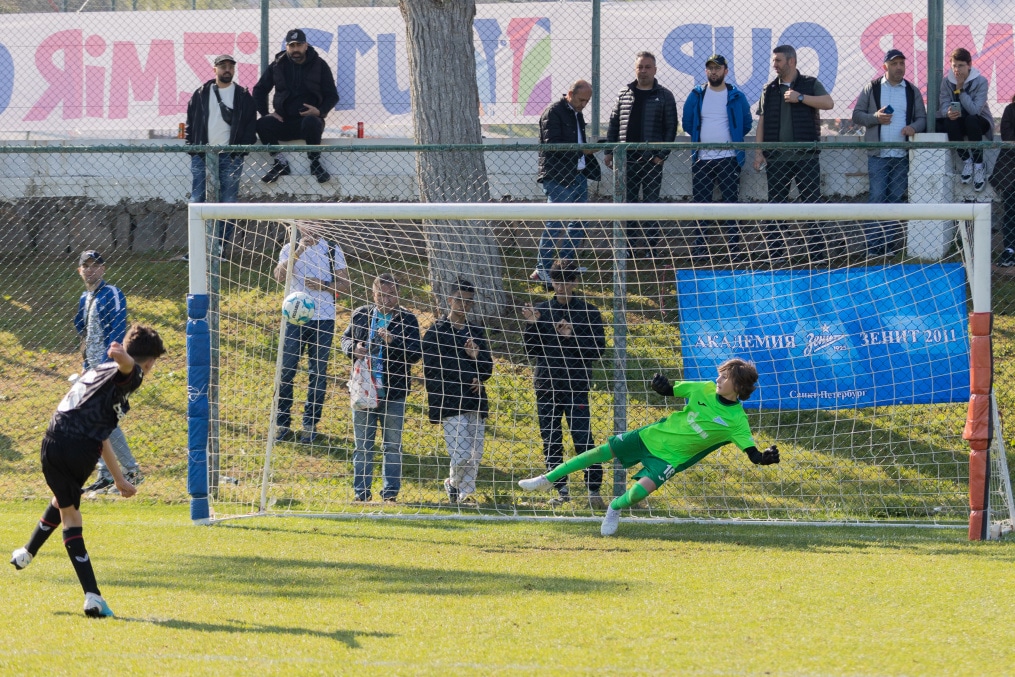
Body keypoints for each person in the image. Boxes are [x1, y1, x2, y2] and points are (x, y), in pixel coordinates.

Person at [519, 360, 780, 536]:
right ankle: (547, 478)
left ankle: (615, 507)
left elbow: (753, 455)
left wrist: (765, 458)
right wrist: (661, 386)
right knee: (598, 452)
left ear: (739, 387)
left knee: (638, 494)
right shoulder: (703, 388)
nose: (718, 379)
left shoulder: (737, 422)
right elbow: (671, 389)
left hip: (671, 458)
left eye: (725, 377)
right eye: (720, 374)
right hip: (651, 436)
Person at [10, 325, 166, 617]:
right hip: (78, 446)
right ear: (150, 361)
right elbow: (129, 369)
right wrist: (125, 358)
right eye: (153, 362)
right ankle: (93, 597)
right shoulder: (129, 372)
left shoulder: (99, 373)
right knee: (71, 516)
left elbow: (102, 434)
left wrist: (118, 478)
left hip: (52, 441)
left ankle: (27, 552)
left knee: (64, 498)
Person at [522, 259, 606, 509]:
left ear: (575, 282)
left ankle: (593, 490)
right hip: (546, 385)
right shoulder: (542, 311)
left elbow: (597, 350)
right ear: (551, 282)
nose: (562, 286)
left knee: (583, 438)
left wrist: (571, 336)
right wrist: (532, 325)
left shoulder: (588, 312)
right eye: (557, 281)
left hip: (576, 386)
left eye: (567, 281)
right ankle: (562, 490)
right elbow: (530, 349)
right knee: (551, 439)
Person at [341, 274, 422, 502]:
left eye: (391, 294)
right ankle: (361, 494)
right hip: (363, 391)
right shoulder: (361, 314)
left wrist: (393, 342)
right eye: (382, 295)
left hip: (393, 392)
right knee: (363, 446)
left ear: (398, 294)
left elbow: (416, 353)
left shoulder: (407, 319)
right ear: (373, 294)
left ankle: (390, 494)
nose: (387, 299)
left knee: (392, 446)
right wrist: (352, 349)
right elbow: (344, 339)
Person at [753, 45, 834, 261]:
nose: (774, 65)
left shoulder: (809, 83)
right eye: (774, 61)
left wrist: (800, 98)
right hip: (777, 159)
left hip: (806, 157)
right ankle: (777, 254)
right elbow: (762, 121)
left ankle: (816, 255)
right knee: (775, 207)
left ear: (791, 61)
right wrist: (759, 152)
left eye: (778, 61)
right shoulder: (769, 89)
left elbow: (828, 103)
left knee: (812, 206)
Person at [75, 251, 143, 496]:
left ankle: (130, 471)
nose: (91, 270)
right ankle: (106, 474)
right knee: (98, 421)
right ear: (79, 270)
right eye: (86, 266)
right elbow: (83, 332)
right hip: (91, 369)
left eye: (95, 265)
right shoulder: (86, 297)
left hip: (107, 368)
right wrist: (86, 366)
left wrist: (108, 364)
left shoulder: (111, 293)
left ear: (103, 269)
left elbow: (117, 327)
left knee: (105, 421)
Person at [273, 231, 350, 444]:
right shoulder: (289, 248)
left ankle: (310, 424)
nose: (310, 229)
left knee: (318, 373)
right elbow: (279, 276)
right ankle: (282, 423)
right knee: (286, 370)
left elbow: (345, 284)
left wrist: (324, 285)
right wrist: (299, 250)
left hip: (324, 319)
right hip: (294, 319)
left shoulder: (332, 248)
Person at [422, 279, 493, 505]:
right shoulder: (436, 331)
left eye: (469, 302)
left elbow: (487, 369)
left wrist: (477, 358)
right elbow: (434, 368)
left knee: (474, 455)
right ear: (450, 300)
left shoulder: (476, 331)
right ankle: (452, 484)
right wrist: (468, 377)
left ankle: (462, 495)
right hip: (451, 401)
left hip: (475, 400)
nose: (464, 305)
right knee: (461, 454)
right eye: (460, 300)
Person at [851, 49, 927, 257]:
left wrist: (913, 128)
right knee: (877, 197)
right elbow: (856, 115)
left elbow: (922, 118)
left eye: (902, 63)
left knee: (895, 199)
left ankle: (888, 246)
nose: (899, 67)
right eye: (894, 64)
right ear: (885, 66)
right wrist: (875, 117)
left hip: (902, 155)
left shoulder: (912, 91)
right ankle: (873, 248)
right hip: (878, 154)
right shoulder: (872, 88)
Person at [604, 51, 679, 257]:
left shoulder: (664, 95)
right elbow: (613, 124)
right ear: (635, 69)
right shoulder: (624, 93)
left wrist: (660, 155)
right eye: (640, 67)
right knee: (625, 204)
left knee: (651, 204)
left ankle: (650, 248)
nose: (643, 71)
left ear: (655, 70)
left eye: (647, 67)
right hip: (625, 160)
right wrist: (609, 151)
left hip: (652, 161)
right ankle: (626, 248)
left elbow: (671, 129)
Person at [682, 54, 754, 262]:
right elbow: (687, 122)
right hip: (702, 159)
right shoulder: (696, 94)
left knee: (731, 204)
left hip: (729, 158)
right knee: (701, 205)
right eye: (710, 68)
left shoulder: (736, 96)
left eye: (718, 68)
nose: (713, 71)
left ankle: (734, 249)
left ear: (725, 71)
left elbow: (746, 123)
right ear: (706, 71)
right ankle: (700, 249)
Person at [185, 54, 258, 256]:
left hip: (230, 157)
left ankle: (218, 248)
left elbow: (251, 127)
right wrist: (193, 150)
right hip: (202, 155)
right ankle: (197, 248)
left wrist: (240, 151)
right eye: (223, 66)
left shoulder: (243, 96)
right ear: (214, 69)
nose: (227, 70)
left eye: (230, 67)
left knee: (228, 202)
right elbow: (190, 124)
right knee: (197, 199)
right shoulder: (200, 94)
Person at [532, 79, 601, 284]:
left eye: (587, 101)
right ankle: (542, 269)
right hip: (558, 176)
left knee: (579, 221)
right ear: (570, 94)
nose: (583, 105)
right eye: (581, 100)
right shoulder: (553, 111)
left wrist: (585, 149)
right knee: (556, 222)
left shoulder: (576, 113)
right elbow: (553, 144)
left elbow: (577, 141)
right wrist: (582, 150)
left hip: (577, 174)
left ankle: (565, 266)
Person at [253, 28, 339, 184]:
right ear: (286, 47)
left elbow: (332, 95)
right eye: (292, 46)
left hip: (308, 123)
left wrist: (319, 111)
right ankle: (280, 163)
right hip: (283, 122)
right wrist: (266, 113)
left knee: (312, 121)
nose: (295, 49)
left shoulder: (319, 65)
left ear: (306, 45)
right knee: (262, 123)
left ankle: (315, 163)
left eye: (299, 45)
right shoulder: (277, 65)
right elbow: (259, 90)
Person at [938, 47, 994, 192]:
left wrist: (960, 89)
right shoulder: (946, 82)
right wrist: (947, 112)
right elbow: (943, 104)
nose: (957, 69)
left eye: (961, 65)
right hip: (959, 120)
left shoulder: (981, 81)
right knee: (949, 121)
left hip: (979, 121)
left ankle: (979, 164)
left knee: (970, 119)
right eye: (954, 65)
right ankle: (967, 161)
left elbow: (975, 110)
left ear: (969, 64)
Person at [992, 95, 1015, 267]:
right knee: (1011, 209)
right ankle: (1010, 250)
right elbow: (1008, 136)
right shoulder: (1011, 109)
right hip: (1011, 169)